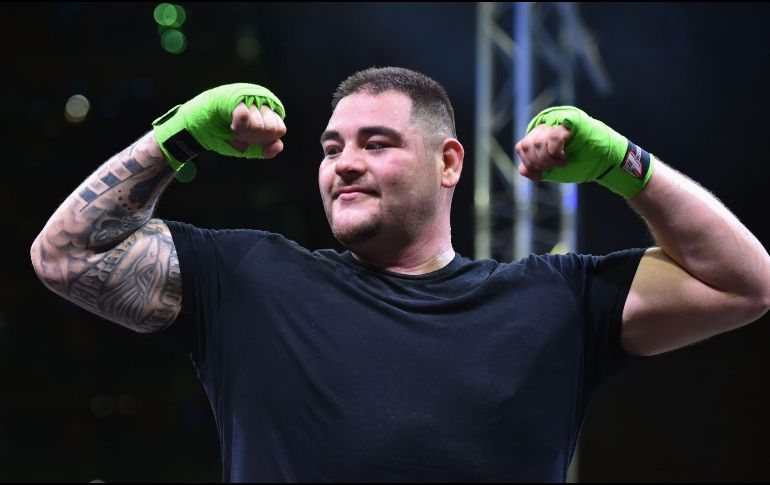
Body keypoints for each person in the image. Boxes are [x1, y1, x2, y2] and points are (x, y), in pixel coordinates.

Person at [30, 67, 770, 482]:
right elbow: (67, 255)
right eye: (330, 146)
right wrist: (179, 133)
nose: (343, 162)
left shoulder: (553, 300)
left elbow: (742, 282)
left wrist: (624, 165)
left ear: (449, 162)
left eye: (376, 142)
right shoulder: (253, 280)